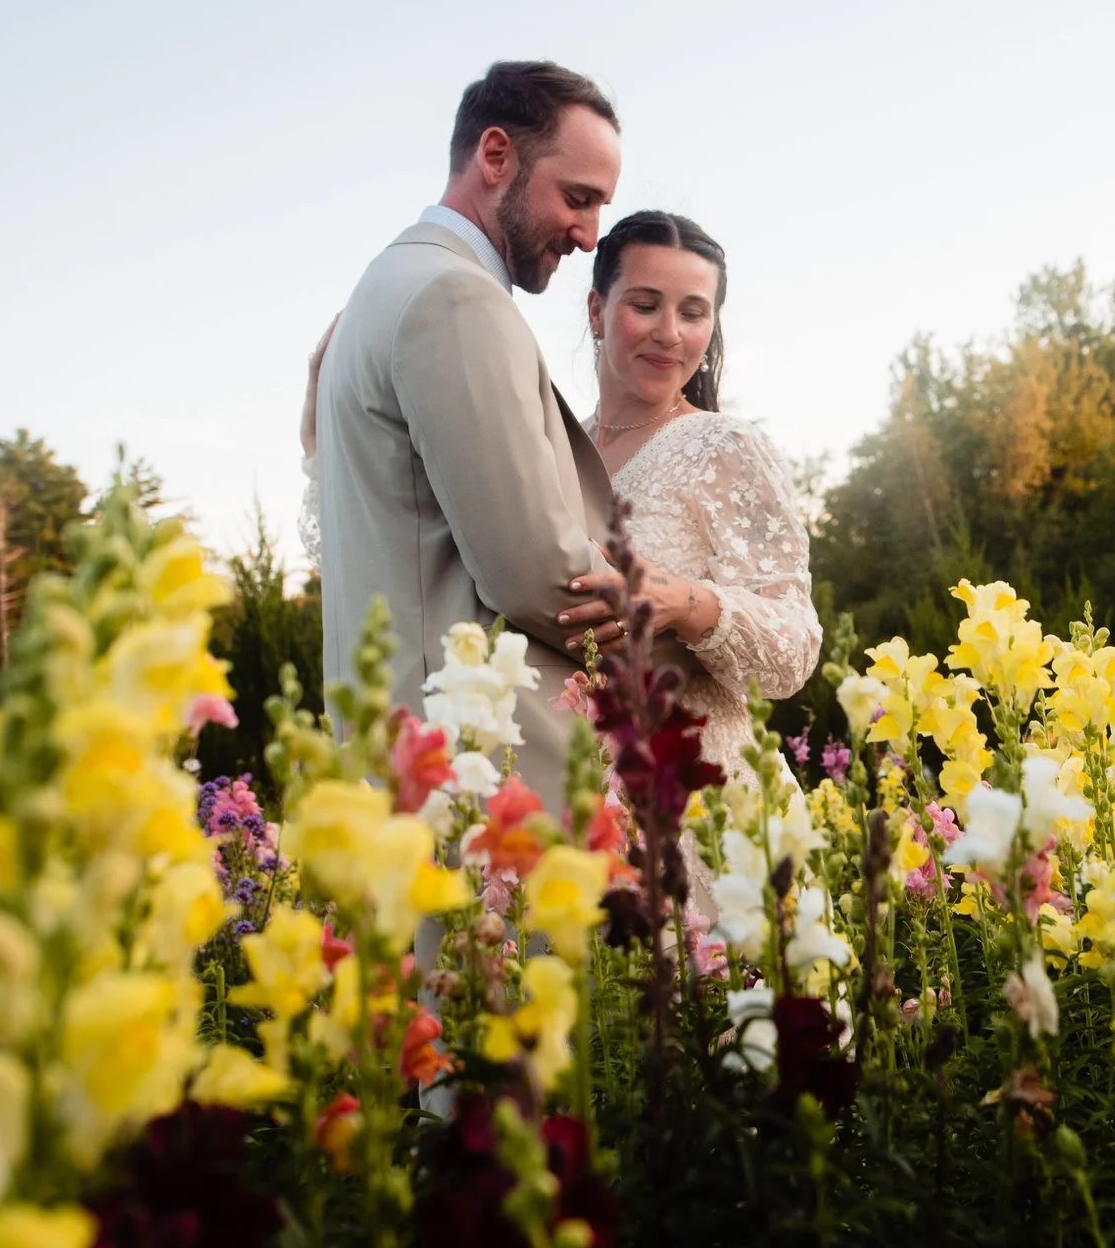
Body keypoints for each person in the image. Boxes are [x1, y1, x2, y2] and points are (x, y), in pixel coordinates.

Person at [307, 61, 630, 812]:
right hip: (490, 769)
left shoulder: (377, 293)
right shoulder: (454, 297)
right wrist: (686, 619)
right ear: (495, 157)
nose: (589, 235)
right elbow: (540, 573)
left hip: (407, 759)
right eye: (577, 198)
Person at [579, 210, 819, 775]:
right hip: (584, 796)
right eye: (645, 305)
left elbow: (793, 653)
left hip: (705, 798)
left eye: (693, 312)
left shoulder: (724, 446)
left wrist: (685, 604)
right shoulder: (557, 443)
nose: (670, 332)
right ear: (597, 311)